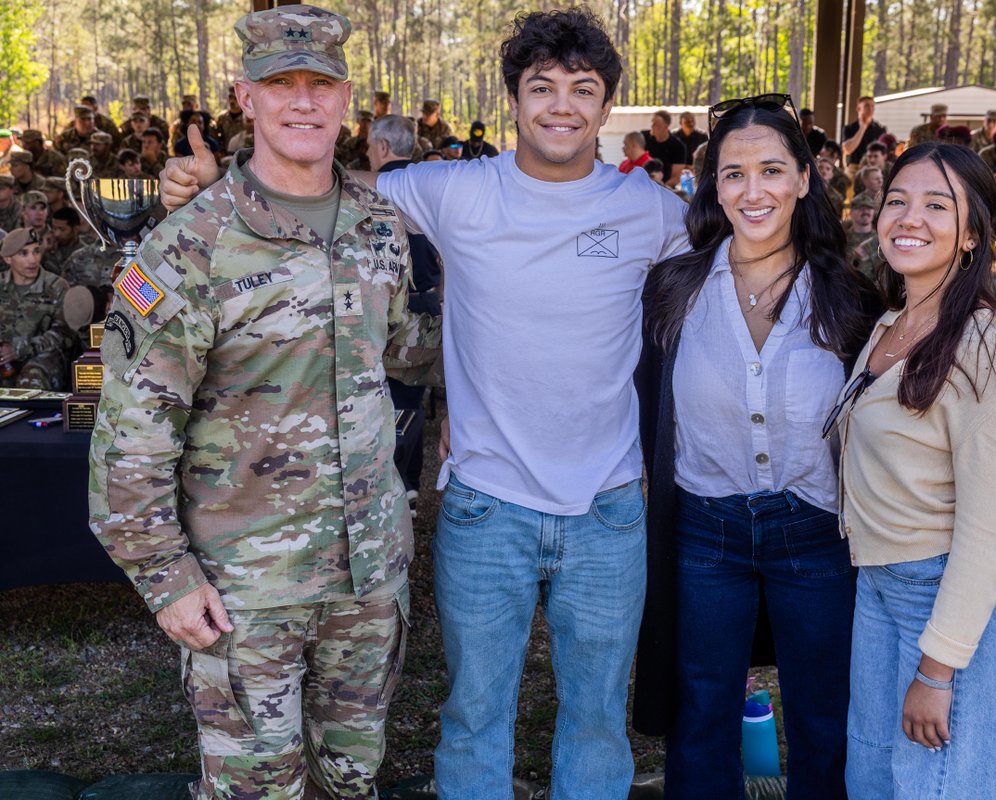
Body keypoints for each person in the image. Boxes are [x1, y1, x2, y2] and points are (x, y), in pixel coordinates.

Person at [159, 10, 690, 796]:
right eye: (541, 87)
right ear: (514, 99)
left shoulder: (653, 211)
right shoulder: (453, 190)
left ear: (608, 106)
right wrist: (216, 184)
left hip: (608, 510)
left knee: (598, 718)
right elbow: (319, 186)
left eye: (584, 89)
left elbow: (739, 266)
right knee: (475, 714)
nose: (561, 106)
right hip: (485, 507)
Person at [89, 7, 441, 799]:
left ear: (346, 98)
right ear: (246, 99)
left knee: (352, 780)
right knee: (256, 790)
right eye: (283, 84)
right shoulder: (189, 243)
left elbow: (412, 355)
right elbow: (131, 433)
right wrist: (165, 576)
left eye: (321, 84)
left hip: (367, 582)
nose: (304, 102)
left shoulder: (380, 225)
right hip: (247, 586)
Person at [635, 93, 876, 800]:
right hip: (704, 529)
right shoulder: (674, 289)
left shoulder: (849, 296)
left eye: (771, 169)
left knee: (824, 714)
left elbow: (911, 416)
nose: (752, 190)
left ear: (805, 177)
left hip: (819, 531)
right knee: (702, 710)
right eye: (733, 173)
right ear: (713, 186)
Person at [834, 141, 996, 799]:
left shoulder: (986, 344)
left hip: (953, 601)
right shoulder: (895, 320)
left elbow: (984, 535)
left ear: (973, 233)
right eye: (897, 200)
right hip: (881, 585)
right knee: (874, 780)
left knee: (945, 787)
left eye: (936, 205)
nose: (908, 217)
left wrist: (937, 671)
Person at [367, 113, 444, 516]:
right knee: (411, 402)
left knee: (381, 401)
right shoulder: (430, 188)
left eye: (368, 146)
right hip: (428, 307)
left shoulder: (371, 192)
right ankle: (409, 486)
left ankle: (391, 486)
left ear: (382, 147)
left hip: (388, 313)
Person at [0, 228, 77, 390]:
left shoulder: (56, 286)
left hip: (43, 359)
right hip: (5, 362)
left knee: (30, 380)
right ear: (8, 258)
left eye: (36, 252)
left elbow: (64, 334)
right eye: (24, 254)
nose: (33, 260)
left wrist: (19, 349)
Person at [842, 96, 886, 174]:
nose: (870, 109)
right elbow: (848, 149)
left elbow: (883, 153)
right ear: (858, 109)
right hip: (854, 169)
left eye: (872, 106)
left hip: (873, 168)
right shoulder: (849, 128)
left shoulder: (880, 129)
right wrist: (863, 127)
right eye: (867, 106)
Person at [845, 192, 883, 282]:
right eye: (860, 208)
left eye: (869, 208)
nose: (865, 211)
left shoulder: (881, 240)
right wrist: (854, 257)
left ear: (874, 212)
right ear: (851, 213)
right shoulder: (841, 239)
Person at [644, 109, 688, 186]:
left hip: (666, 187)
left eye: (656, 124)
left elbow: (676, 176)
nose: (652, 126)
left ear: (666, 127)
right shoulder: (644, 138)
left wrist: (662, 187)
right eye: (652, 123)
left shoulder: (678, 146)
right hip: (643, 184)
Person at [42, 208, 85, 276]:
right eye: (54, 228)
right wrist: (43, 250)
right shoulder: (47, 250)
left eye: (62, 229)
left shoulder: (86, 252)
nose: (56, 234)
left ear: (76, 229)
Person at [214, 86, 247, 155]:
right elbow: (218, 137)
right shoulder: (222, 118)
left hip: (243, 153)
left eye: (235, 98)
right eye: (230, 98)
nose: (232, 101)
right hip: (226, 154)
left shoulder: (247, 117)